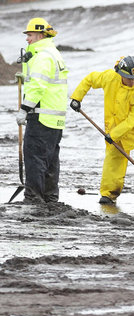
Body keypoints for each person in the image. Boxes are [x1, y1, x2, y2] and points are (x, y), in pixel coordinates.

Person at [69, 56, 134, 205]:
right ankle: (109, 194)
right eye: (128, 78)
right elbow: (90, 79)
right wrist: (77, 98)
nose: (133, 81)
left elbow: (133, 119)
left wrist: (113, 135)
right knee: (114, 162)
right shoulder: (109, 77)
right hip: (117, 128)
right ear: (119, 74)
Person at [16, 17, 68, 203]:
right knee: (50, 159)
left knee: (34, 157)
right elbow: (43, 81)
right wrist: (24, 74)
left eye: (29, 35)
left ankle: (33, 198)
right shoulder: (53, 53)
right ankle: (50, 197)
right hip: (54, 118)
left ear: (39, 35)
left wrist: (24, 109)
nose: (27, 39)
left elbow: (38, 86)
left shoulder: (43, 56)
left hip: (41, 116)